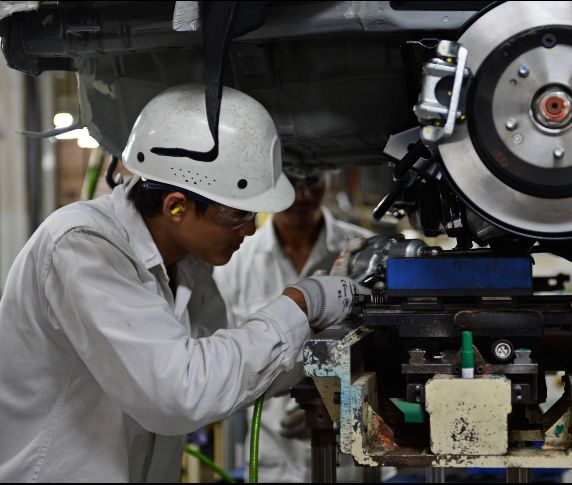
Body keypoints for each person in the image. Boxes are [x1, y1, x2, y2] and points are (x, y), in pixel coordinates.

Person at [0, 84, 365, 482]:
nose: (247, 232)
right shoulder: (83, 246)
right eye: (237, 217)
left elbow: (225, 371)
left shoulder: (187, 266)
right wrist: (300, 302)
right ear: (176, 205)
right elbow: (180, 394)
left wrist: (325, 356)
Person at [213, 166, 373, 482]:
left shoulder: (364, 253)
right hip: (275, 459)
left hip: (356, 460)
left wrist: (337, 398)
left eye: (312, 180)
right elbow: (225, 365)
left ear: (329, 177)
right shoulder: (236, 263)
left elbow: (393, 348)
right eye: (291, 183)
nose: (302, 195)